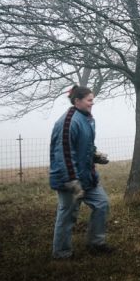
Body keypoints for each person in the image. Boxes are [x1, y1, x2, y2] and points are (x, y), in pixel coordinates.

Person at [49, 85, 112, 259]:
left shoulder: (87, 119)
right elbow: (64, 153)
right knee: (68, 214)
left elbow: (85, 147)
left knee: (102, 204)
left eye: (92, 99)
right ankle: (61, 253)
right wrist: (72, 181)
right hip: (69, 178)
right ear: (77, 101)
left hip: (87, 176)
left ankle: (96, 243)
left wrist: (95, 155)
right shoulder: (68, 122)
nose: (93, 103)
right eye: (89, 100)